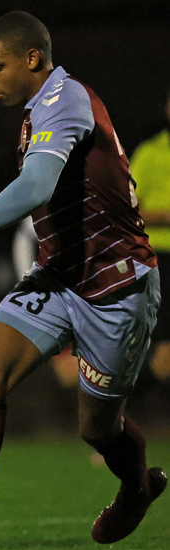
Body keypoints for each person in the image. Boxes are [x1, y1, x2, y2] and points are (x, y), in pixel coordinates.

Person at [0, 11, 166, 550]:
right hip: (60, 277)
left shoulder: (67, 98)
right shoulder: (39, 110)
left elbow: (36, 186)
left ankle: (134, 488)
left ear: (32, 58)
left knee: (96, 428)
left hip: (115, 286)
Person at [129, 88, 170, 384]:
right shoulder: (150, 152)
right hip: (158, 258)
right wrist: (165, 216)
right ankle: (140, 400)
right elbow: (126, 208)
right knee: (159, 337)